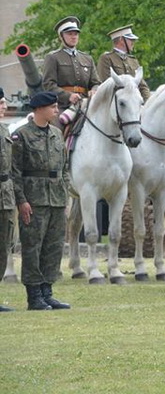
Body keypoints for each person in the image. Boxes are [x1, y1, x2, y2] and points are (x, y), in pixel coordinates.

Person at [11, 90, 69, 310]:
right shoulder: (22, 136)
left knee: (53, 247)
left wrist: (64, 193)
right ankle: (34, 295)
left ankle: (47, 291)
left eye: (56, 106)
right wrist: (21, 200)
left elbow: (64, 168)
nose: (56, 110)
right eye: (52, 107)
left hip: (56, 198)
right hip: (34, 199)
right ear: (38, 109)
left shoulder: (57, 134)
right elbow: (15, 172)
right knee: (32, 247)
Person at [41, 16, 101, 112]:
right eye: (69, 34)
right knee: (56, 125)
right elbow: (48, 85)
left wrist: (94, 90)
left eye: (76, 34)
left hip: (86, 104)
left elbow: (96, 83)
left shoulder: (87, 58)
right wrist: (68, 96)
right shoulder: (53, 57)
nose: (74, 37)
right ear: (61, 36)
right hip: (62, 106)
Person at [97, 24, 151, 101]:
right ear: (121, 40)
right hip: (117, 105)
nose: (133, 42)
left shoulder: (133, 60)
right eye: (130, 40)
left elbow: (142, 86)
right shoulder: (107, 58)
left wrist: (148, 102)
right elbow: (106, 85)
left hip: (135, 103)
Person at [0, 88, 15, 311]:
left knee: (4, 244)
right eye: (1, 103)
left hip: (5, 193)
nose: (4, 106)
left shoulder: (5, 130)